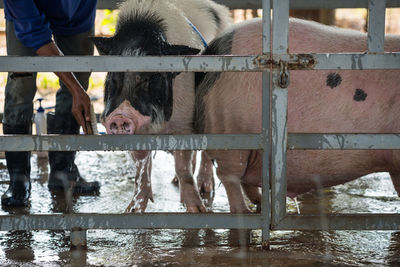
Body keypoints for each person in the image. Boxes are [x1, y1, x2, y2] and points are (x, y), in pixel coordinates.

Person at [2, 0, 101, 207]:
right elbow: (34, 33)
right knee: (21, 83)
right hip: (26, 12)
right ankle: (18, 180)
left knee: (79, 74)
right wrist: (76, 89)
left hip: (78, 11)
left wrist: (76, 86)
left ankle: (63, 170)